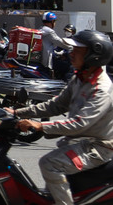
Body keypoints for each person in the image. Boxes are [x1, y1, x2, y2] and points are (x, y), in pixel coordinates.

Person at [13, 30, 113, 205]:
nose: (71, 54)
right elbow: (56, 105)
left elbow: (79, 124)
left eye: (77, 51)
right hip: (78, 143)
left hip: (97, 148)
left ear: (93, 56)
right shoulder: (80, 79)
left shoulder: (101, 89)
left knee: (50, 164)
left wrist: (40, 126)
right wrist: (17, 112)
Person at [40, 12, 72, 77]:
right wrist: (72, 47)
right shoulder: (49, 32)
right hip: (47, 60)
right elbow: (60, 43)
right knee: (69, 67)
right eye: (54, 21)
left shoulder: (41, 29)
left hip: (42, 59)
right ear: (52, 21)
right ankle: (65, 84)